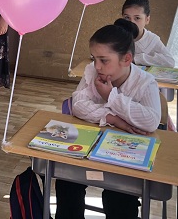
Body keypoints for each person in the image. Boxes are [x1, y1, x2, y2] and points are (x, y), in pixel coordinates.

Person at [55, 19, 161, 219]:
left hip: (124, 155)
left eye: (104, 60)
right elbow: (78, 105)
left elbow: (151, 121)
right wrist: (113, 118)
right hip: (88, 148)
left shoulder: (145, 83)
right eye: (94, 58)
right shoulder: (92, 71)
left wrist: (111, 97)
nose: (97, 66)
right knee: (66, 182)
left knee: (119, 196)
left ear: (126, 59)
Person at [122, 0, 175, 68]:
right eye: (127, 17)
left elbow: (169, 62)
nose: (131, 22)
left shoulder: (151, 40)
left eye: (137, 18)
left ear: (147, 20)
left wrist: (136, 58)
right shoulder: (117, 35)